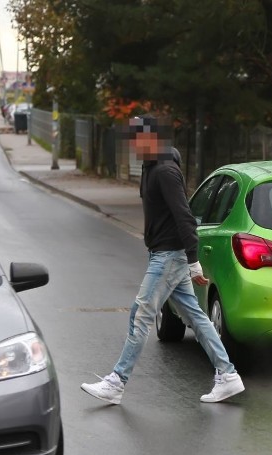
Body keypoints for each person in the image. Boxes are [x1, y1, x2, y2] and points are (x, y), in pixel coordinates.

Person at [80, 115, 245, 405]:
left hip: (169, 256)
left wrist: (193, 260)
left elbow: (184, 217)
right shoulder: (151, 167)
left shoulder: (166, 171)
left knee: (140, 314)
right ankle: (227, 374)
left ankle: (116, 382)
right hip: (164, 254)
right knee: (194, 316)